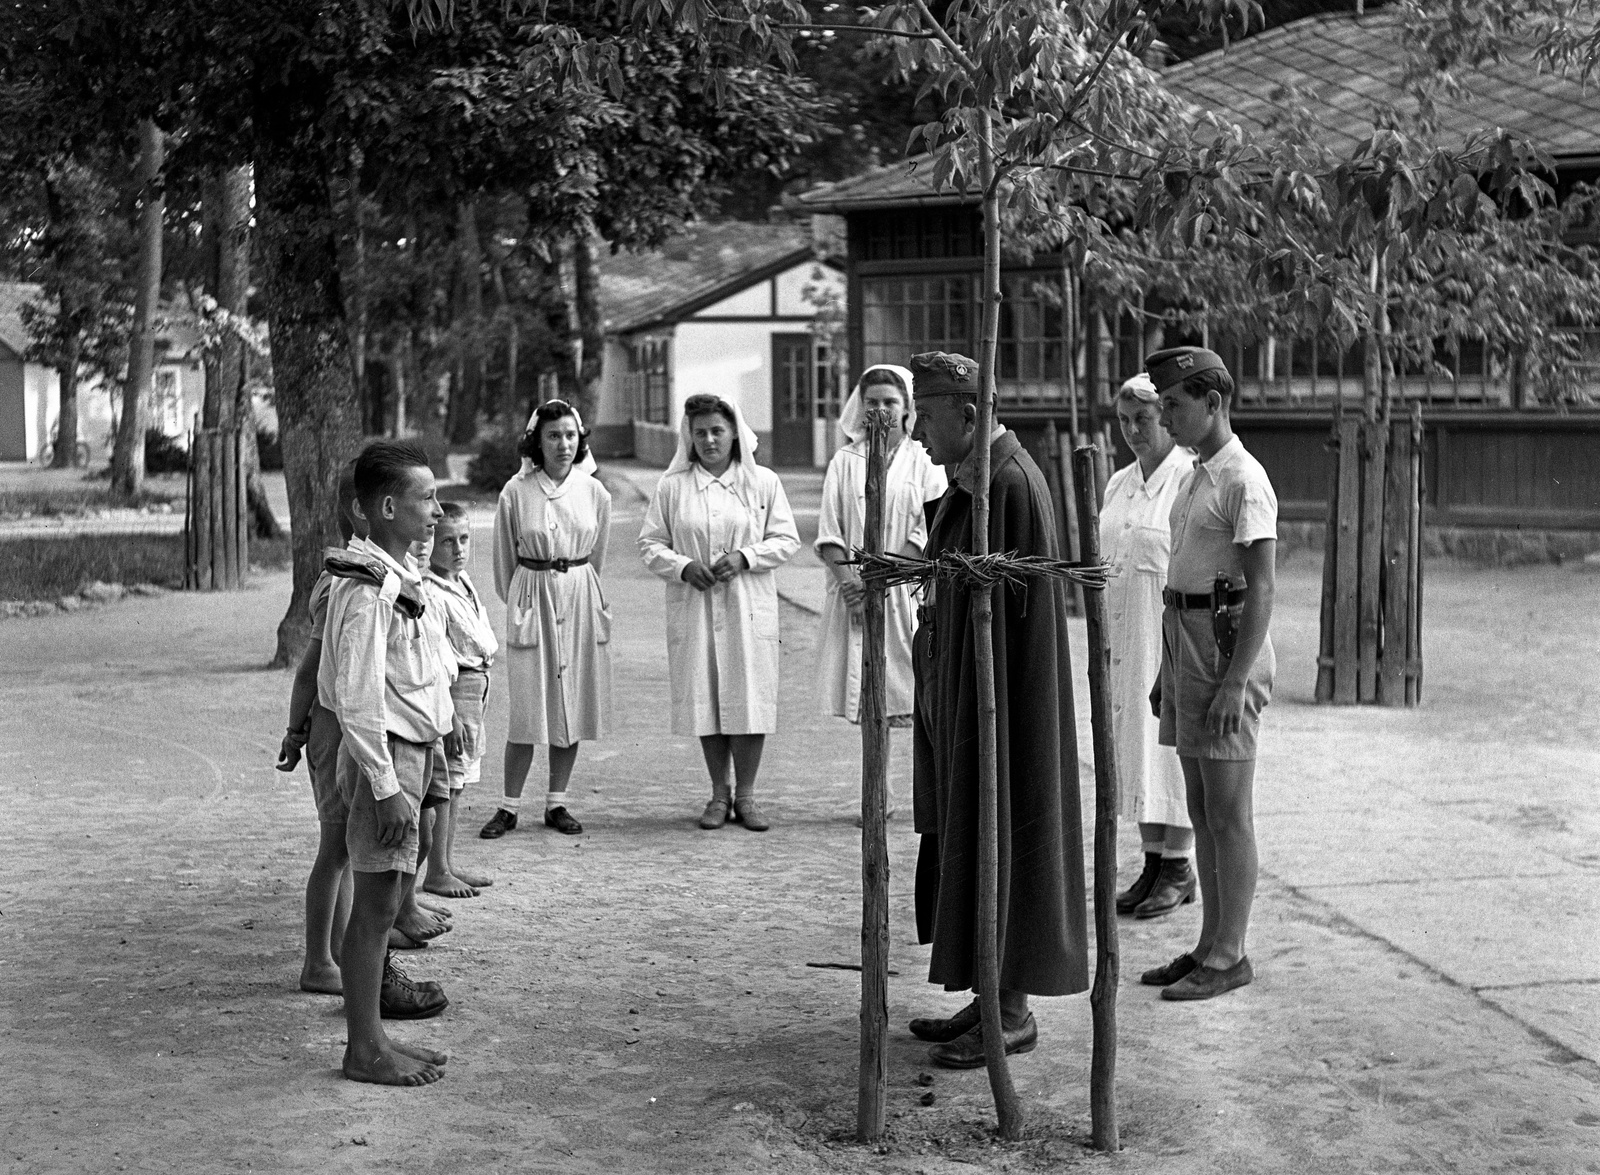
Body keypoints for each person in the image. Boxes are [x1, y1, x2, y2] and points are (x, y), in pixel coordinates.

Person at [902, 351, 1089, 1069]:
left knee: (1004, 831)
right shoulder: (972, 482)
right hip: (966, 700)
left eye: (927, 413)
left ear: (970, 414)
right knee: (971, 836)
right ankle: (990, 994)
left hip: (1002, 709)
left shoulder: (1006, 484)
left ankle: (1010, 1013)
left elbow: (1015, 629)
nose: (917, 430)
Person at [1139, 345, 1277, 1002]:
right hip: (1187, 641)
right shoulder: (1198, 474)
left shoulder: (1244, 479)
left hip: (1225, 650)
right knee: (1198, 808)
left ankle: (1231, 952)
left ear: (1213, 402)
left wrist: (1236, 681)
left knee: (1228, 812)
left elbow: (1262, 588)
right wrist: (1170, 668)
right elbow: (1182, 578)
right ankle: (1207, 942)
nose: (1165, 416)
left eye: (1173, 404)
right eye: (1161, 404)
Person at [321, 439, 455, 1085]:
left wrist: (443, 734)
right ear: (386, 505)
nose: (436, 509)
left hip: (408, 751)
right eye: (426, 497)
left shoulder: (398, 575)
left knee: (389, 895)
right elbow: (357, 695)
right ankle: (364, 1048)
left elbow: (418, 672)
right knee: (374, 911)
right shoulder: (369, 588)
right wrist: (384, 783)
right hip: (386, 758)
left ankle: (372, 1038)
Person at [638, 394, 800, 832]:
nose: (709, 440)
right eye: (700, 432)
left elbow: (786, 539)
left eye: (717, 431)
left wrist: (747, 557)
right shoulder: (673, 487)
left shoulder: (762, 482)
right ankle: (717, 793)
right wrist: (683, 566)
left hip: (748, 605)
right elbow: (650, 543)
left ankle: (746, 795)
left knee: (748, 696)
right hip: (696, 605)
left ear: (734, 434)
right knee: (706, 696)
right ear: (688, 438)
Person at [814, 364, 946, 826]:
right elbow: (830, 532)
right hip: (854, 595)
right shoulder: (844, 461)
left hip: (904, 591)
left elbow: (927, 525)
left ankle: (931, 793)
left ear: (907, 409)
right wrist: (850, 581)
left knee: (915, 695)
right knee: (871, 698)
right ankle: (878, 793)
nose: (881, 410)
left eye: (890, 402)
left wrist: (887, 572)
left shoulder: (924, 461)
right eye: (872, 402)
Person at [479, 401, 613, 840]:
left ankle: (557, 801)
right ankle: (509, 805)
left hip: (577, 597)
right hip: (531, 598)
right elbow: (504, 564)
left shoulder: (595, 493)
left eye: (571, 435)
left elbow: (598, 556)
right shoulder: (516, 492)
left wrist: (576, 586)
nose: (563, 444)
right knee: (527, 708)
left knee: (569, 702)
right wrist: (523, 598)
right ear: (537, 441)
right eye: (553, 436)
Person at [1099, 374, 1198, 920]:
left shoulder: (1187, 480)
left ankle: (1179, 866)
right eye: (1124, 420)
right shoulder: (1119, 483)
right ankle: (1153, 862)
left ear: (1166, 419)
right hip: (1124, 628)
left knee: (1167, 748)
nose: (1133, 431)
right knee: (1133, 743)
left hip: (1168, 632)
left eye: (1144, 419)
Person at [277, 460, 360, 995]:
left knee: (349, 849)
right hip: (334, 729)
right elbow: (310, 668)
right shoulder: (341, 584)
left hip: (347, 726)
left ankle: (337, 952)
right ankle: (317, 961)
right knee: (335, 849)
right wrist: (295, 730)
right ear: (366, 511)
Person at [421, 502, 498, 896]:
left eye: (464, 539)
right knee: (447, 780)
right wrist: (449, 714)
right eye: (447, 540)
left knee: (462, 777)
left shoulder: (463, 581)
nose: (458, 548)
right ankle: (436, 870)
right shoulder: (431, 591)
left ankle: (448, 862)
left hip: (478, 682)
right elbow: (437, 658)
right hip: (456, 687)